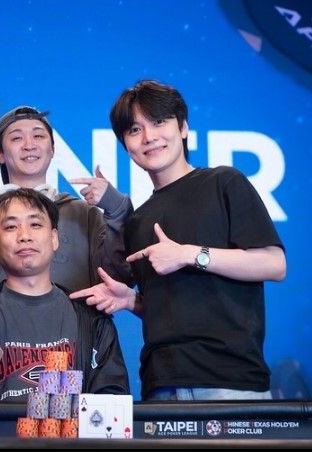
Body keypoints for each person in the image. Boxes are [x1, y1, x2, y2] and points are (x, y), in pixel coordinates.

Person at [71, 80, 286, 401]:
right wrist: (131, 301)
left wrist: (189, 254)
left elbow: (274, 263)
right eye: (135, 130)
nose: (149, 137)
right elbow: (172, 308)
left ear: (183, 127)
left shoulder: (224, 182)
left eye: (159, 122)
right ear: (126, 145)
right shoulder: (138, 221)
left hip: (230, 380)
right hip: (161, 384)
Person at [0, 188, 130, 402]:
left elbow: (112, 401)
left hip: (69, 425)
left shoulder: (90, 319)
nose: (24, 236)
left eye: (35, 225)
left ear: (54, 238)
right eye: (11, 227)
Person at [0, 105, 133, 299]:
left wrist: (116, 207)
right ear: (0, 154)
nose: (29, 145)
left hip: (77, 327)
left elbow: (120, 280)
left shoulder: (85, 215)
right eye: (16, 138)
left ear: (52, 149)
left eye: (38, 136)